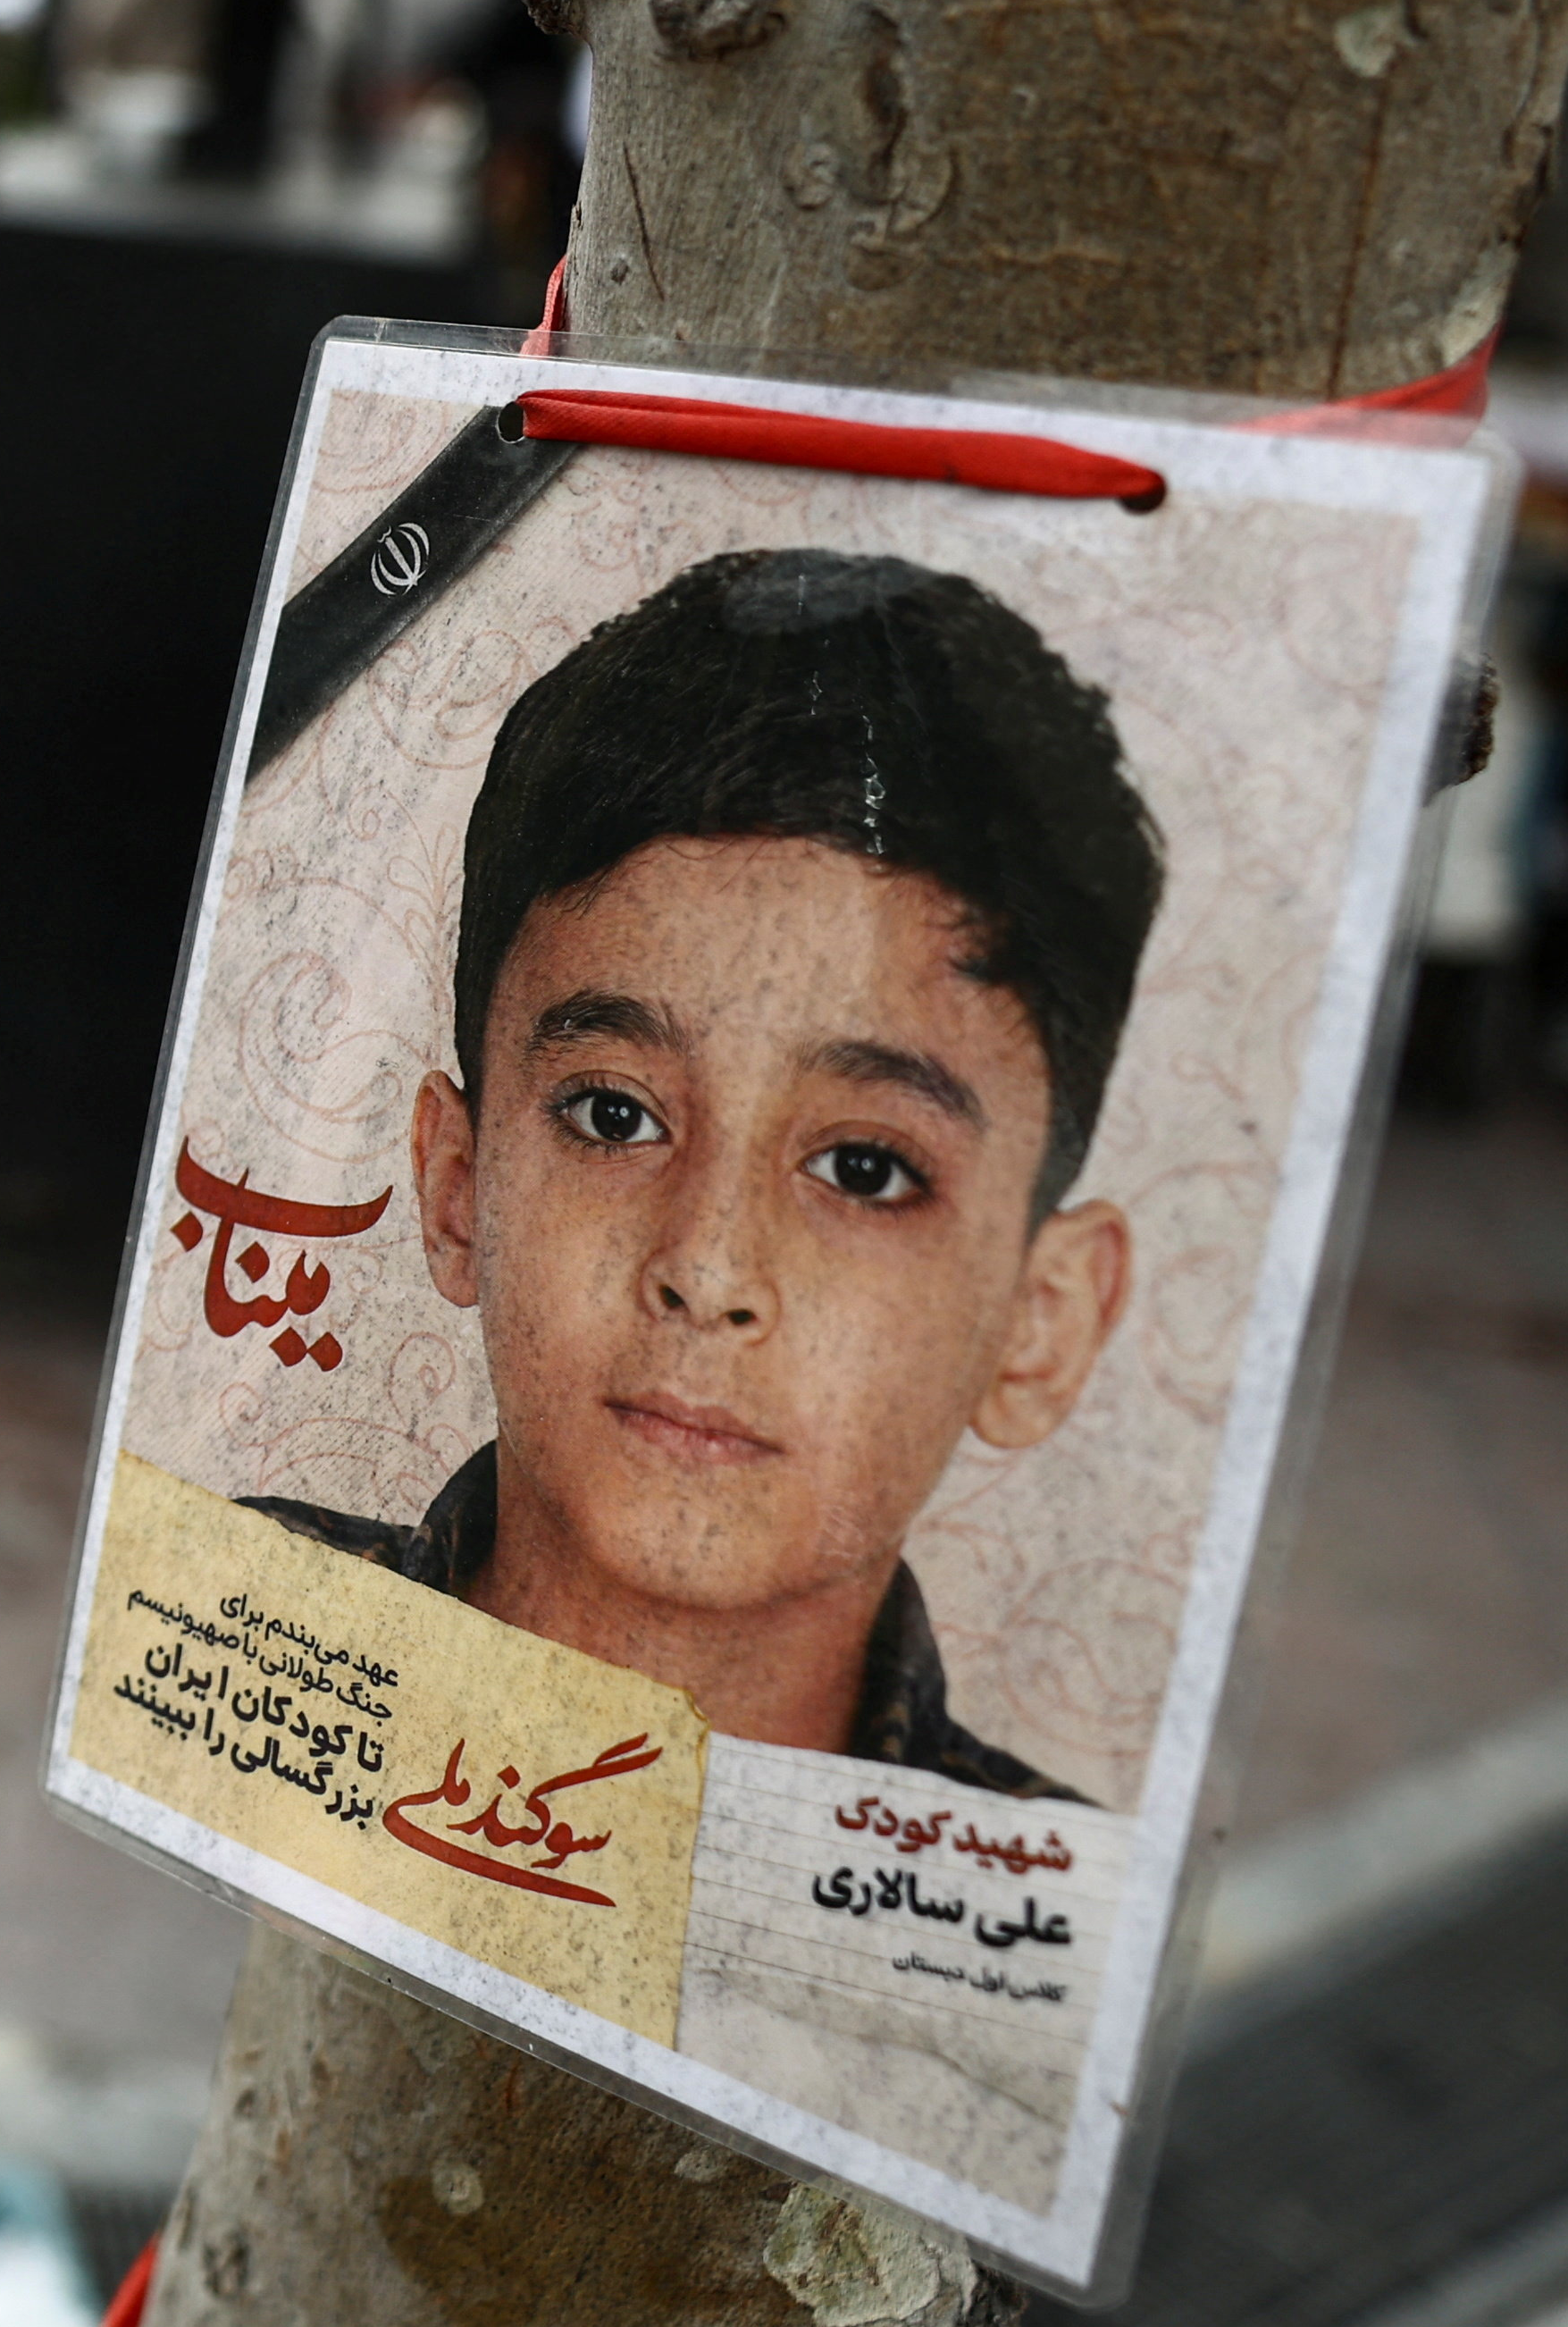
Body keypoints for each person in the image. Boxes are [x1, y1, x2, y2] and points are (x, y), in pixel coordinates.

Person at [253, 550, 1164, 1802]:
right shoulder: (239, 1640)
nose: (709, 1267)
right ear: (458, 1184)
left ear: (1038, 1322)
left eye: (863, 1166)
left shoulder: (1029, 1913)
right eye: (616, 1114)